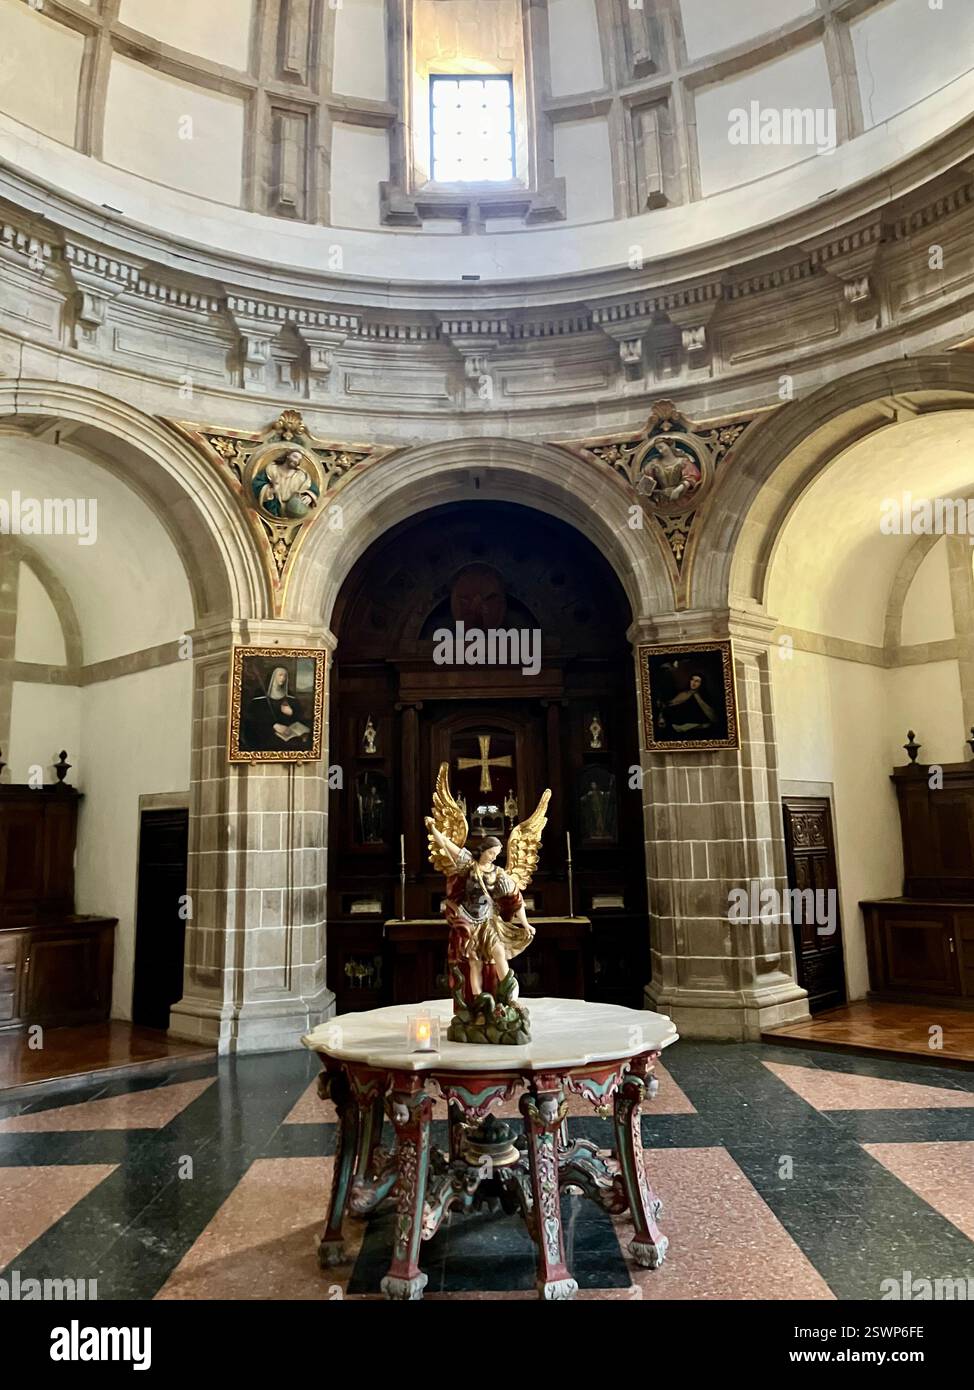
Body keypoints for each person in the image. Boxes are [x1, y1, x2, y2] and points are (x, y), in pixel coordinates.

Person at [424, 818, 534, 1005]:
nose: (493, 856)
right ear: (483, 850)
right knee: (474, 960)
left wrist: (525, 924)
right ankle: (477, 1000)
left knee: (498, 952)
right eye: (491, 852)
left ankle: (510, 995)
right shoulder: (468, 864)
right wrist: (432, 828)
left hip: (488, 920)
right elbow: (445, 844)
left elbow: (516, 900)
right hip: (467, 919)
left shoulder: (499, 873)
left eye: (496, 854)